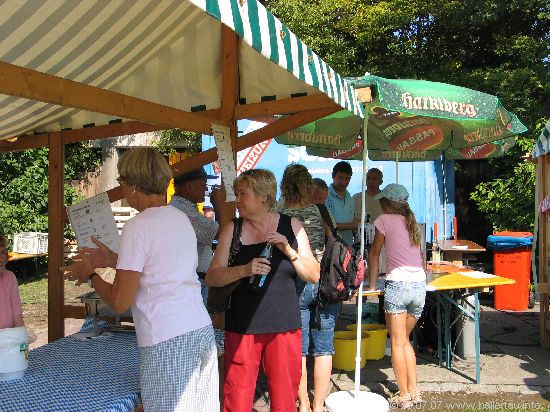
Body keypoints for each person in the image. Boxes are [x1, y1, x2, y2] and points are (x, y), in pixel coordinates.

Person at [61, 148, 219, 412]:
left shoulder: (138, 226)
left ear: (133, 185)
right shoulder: (179, 218)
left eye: (122, 181)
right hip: (199, 330)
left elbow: (120, 301)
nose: (122, 188)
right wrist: (114, 259)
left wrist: (89, 275)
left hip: (167, 340)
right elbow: (160, 265)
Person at [206, 168, 320, 412]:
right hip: (242, 327)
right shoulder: (232, 229)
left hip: (284, 327)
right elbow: (212, 277)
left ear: (263, 197)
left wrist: (289, 251)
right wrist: (244, 270)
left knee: (284, 399)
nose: (237, 200)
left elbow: (313, 274)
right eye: (236, 194)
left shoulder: (292, 226)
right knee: (237, 399)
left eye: (242, 194)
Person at [277, 165, 338, 412]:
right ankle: (318, 404)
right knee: (324, 348)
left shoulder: (280, 212)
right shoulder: (318, 210)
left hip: (294, 283)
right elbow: (332, 239)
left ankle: (303, 403)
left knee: (299, 351)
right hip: (324, 283)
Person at [366, 183, 426, 408]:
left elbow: (374, 253)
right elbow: (421, 258)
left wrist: (372, 285)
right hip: (419, 286)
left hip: (399, 285)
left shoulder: (384, 220)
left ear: (387, 203)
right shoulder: (413, 223)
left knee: (398, 343)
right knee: (405, 341)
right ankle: (414, 391)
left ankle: (403, 394)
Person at [170, 167, 221, 306]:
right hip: (194, 280)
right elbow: (220, 234)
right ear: (189, 187)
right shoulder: (186, 212)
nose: (206, 189)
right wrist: (218, 204)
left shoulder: (179, 208)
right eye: (203, 184)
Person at [325, 161, 358, 247]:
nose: (343, 182)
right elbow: (325, 225)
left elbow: (352, 222)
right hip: (331, 248)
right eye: (340, 178)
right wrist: (351, 225)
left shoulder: (349, 197)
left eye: (347, 179)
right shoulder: (325, 196)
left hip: (348, 247)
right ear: (333, 176)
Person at [0, 234, 25, 329]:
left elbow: (17, 316)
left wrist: (20, 335)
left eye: (3, 252)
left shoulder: (9, 277)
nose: (1, 258)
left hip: (8, 336)